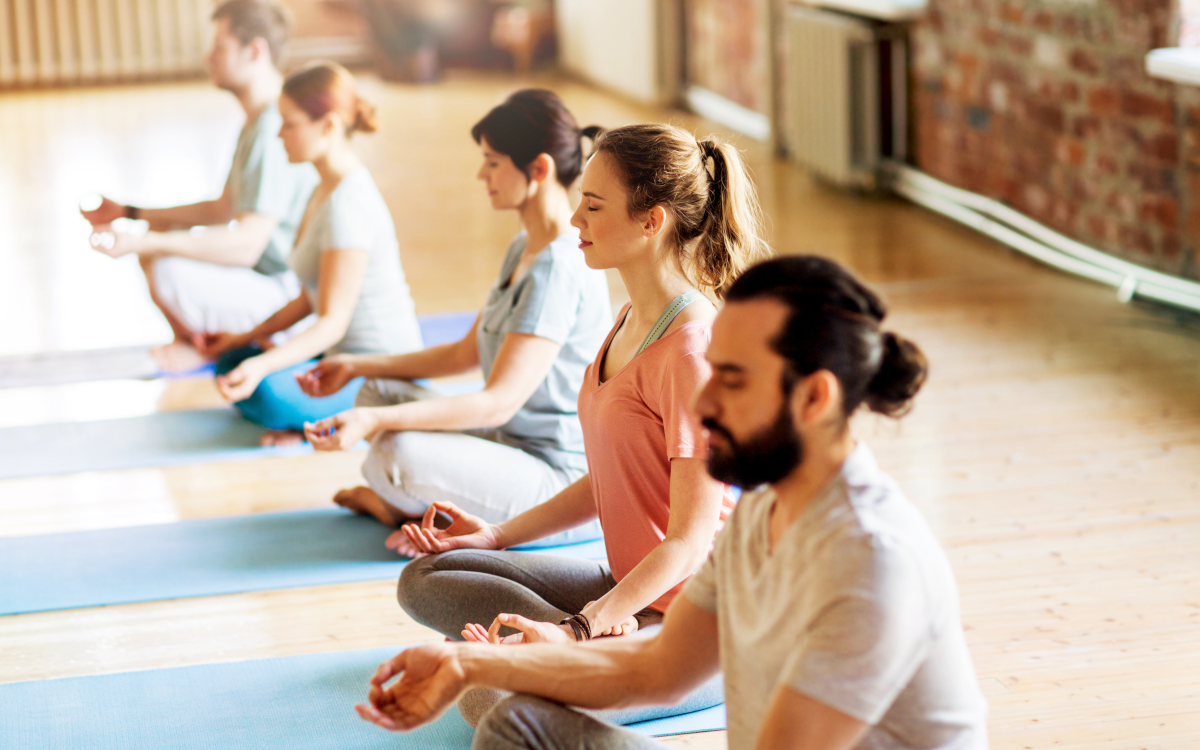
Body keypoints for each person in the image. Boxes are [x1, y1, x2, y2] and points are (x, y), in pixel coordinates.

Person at [356, 255, 991, 750]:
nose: (704, 405)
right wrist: (465, 663)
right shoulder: (763, 516)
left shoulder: (869, 561)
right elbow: (659, 666)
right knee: (512, 723)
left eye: (732, 382)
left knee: (508, 716)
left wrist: (559, 638)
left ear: (815, 399)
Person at [393, 123, 771, 727]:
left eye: (593, 207)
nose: (574, 221)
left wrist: (576, 628)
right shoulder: (628, 317)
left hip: (699, 628)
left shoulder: (691, 352)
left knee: (495, 706)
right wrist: (495, 535)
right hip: (628, 589)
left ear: (652, 221)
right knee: (427, 577)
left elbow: (690, 542)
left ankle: (544, 655)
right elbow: (608, 478)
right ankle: (540, 649)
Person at [295, 89, 610, 553]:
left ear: (538, 170)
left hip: (554, 479)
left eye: (493, 162)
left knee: (397, 452)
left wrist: (374, 420)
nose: (481, 174)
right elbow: (463, 354)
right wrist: (357, 365)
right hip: (506, 445)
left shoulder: (556, 269)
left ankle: (409, 506)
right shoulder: (523, 248)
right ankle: (414, 506)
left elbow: (497, 402)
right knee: (375, 392)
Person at [81, 0, 319, 372]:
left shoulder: (274, 124)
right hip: (270, 278)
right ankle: (200, 341)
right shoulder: (259, 120)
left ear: (254, 51)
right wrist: (130, 213)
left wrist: (144, 242)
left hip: (291, 296)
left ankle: (205, 348)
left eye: (219, 47)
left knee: (163, 262)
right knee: (161, 237)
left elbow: (246, 244)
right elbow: (221, 209)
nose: (209, 57)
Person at [199, 62, 422, 445]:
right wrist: (243, 339)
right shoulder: (321, 189)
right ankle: (303, 415)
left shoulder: (347, 205)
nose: (279, 135)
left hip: (378, 375)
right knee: (232, 364)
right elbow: (309, 297)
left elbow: (332, 322)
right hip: (335, 362)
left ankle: (317, 422)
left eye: (289, 124)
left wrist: (265, 364)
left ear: (329, 126)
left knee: (262, 389)